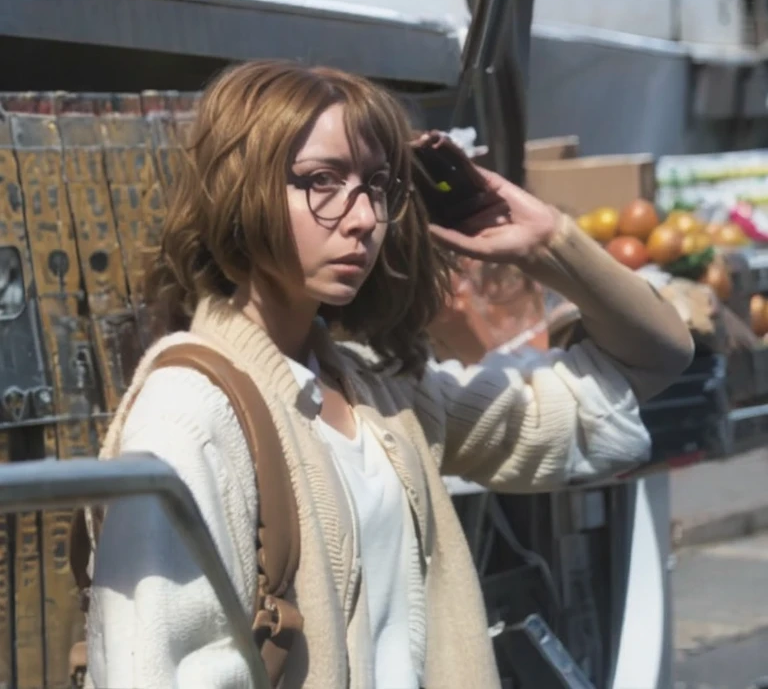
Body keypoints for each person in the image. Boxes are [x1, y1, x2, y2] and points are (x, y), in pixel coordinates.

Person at [86, 60, 693, 689]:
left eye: (376, 186)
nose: (364, 218)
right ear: (240, 189)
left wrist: (546, 245)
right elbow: (150, 670)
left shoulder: (382, 394)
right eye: (322, 181)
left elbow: (653, 361)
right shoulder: (189, 411)